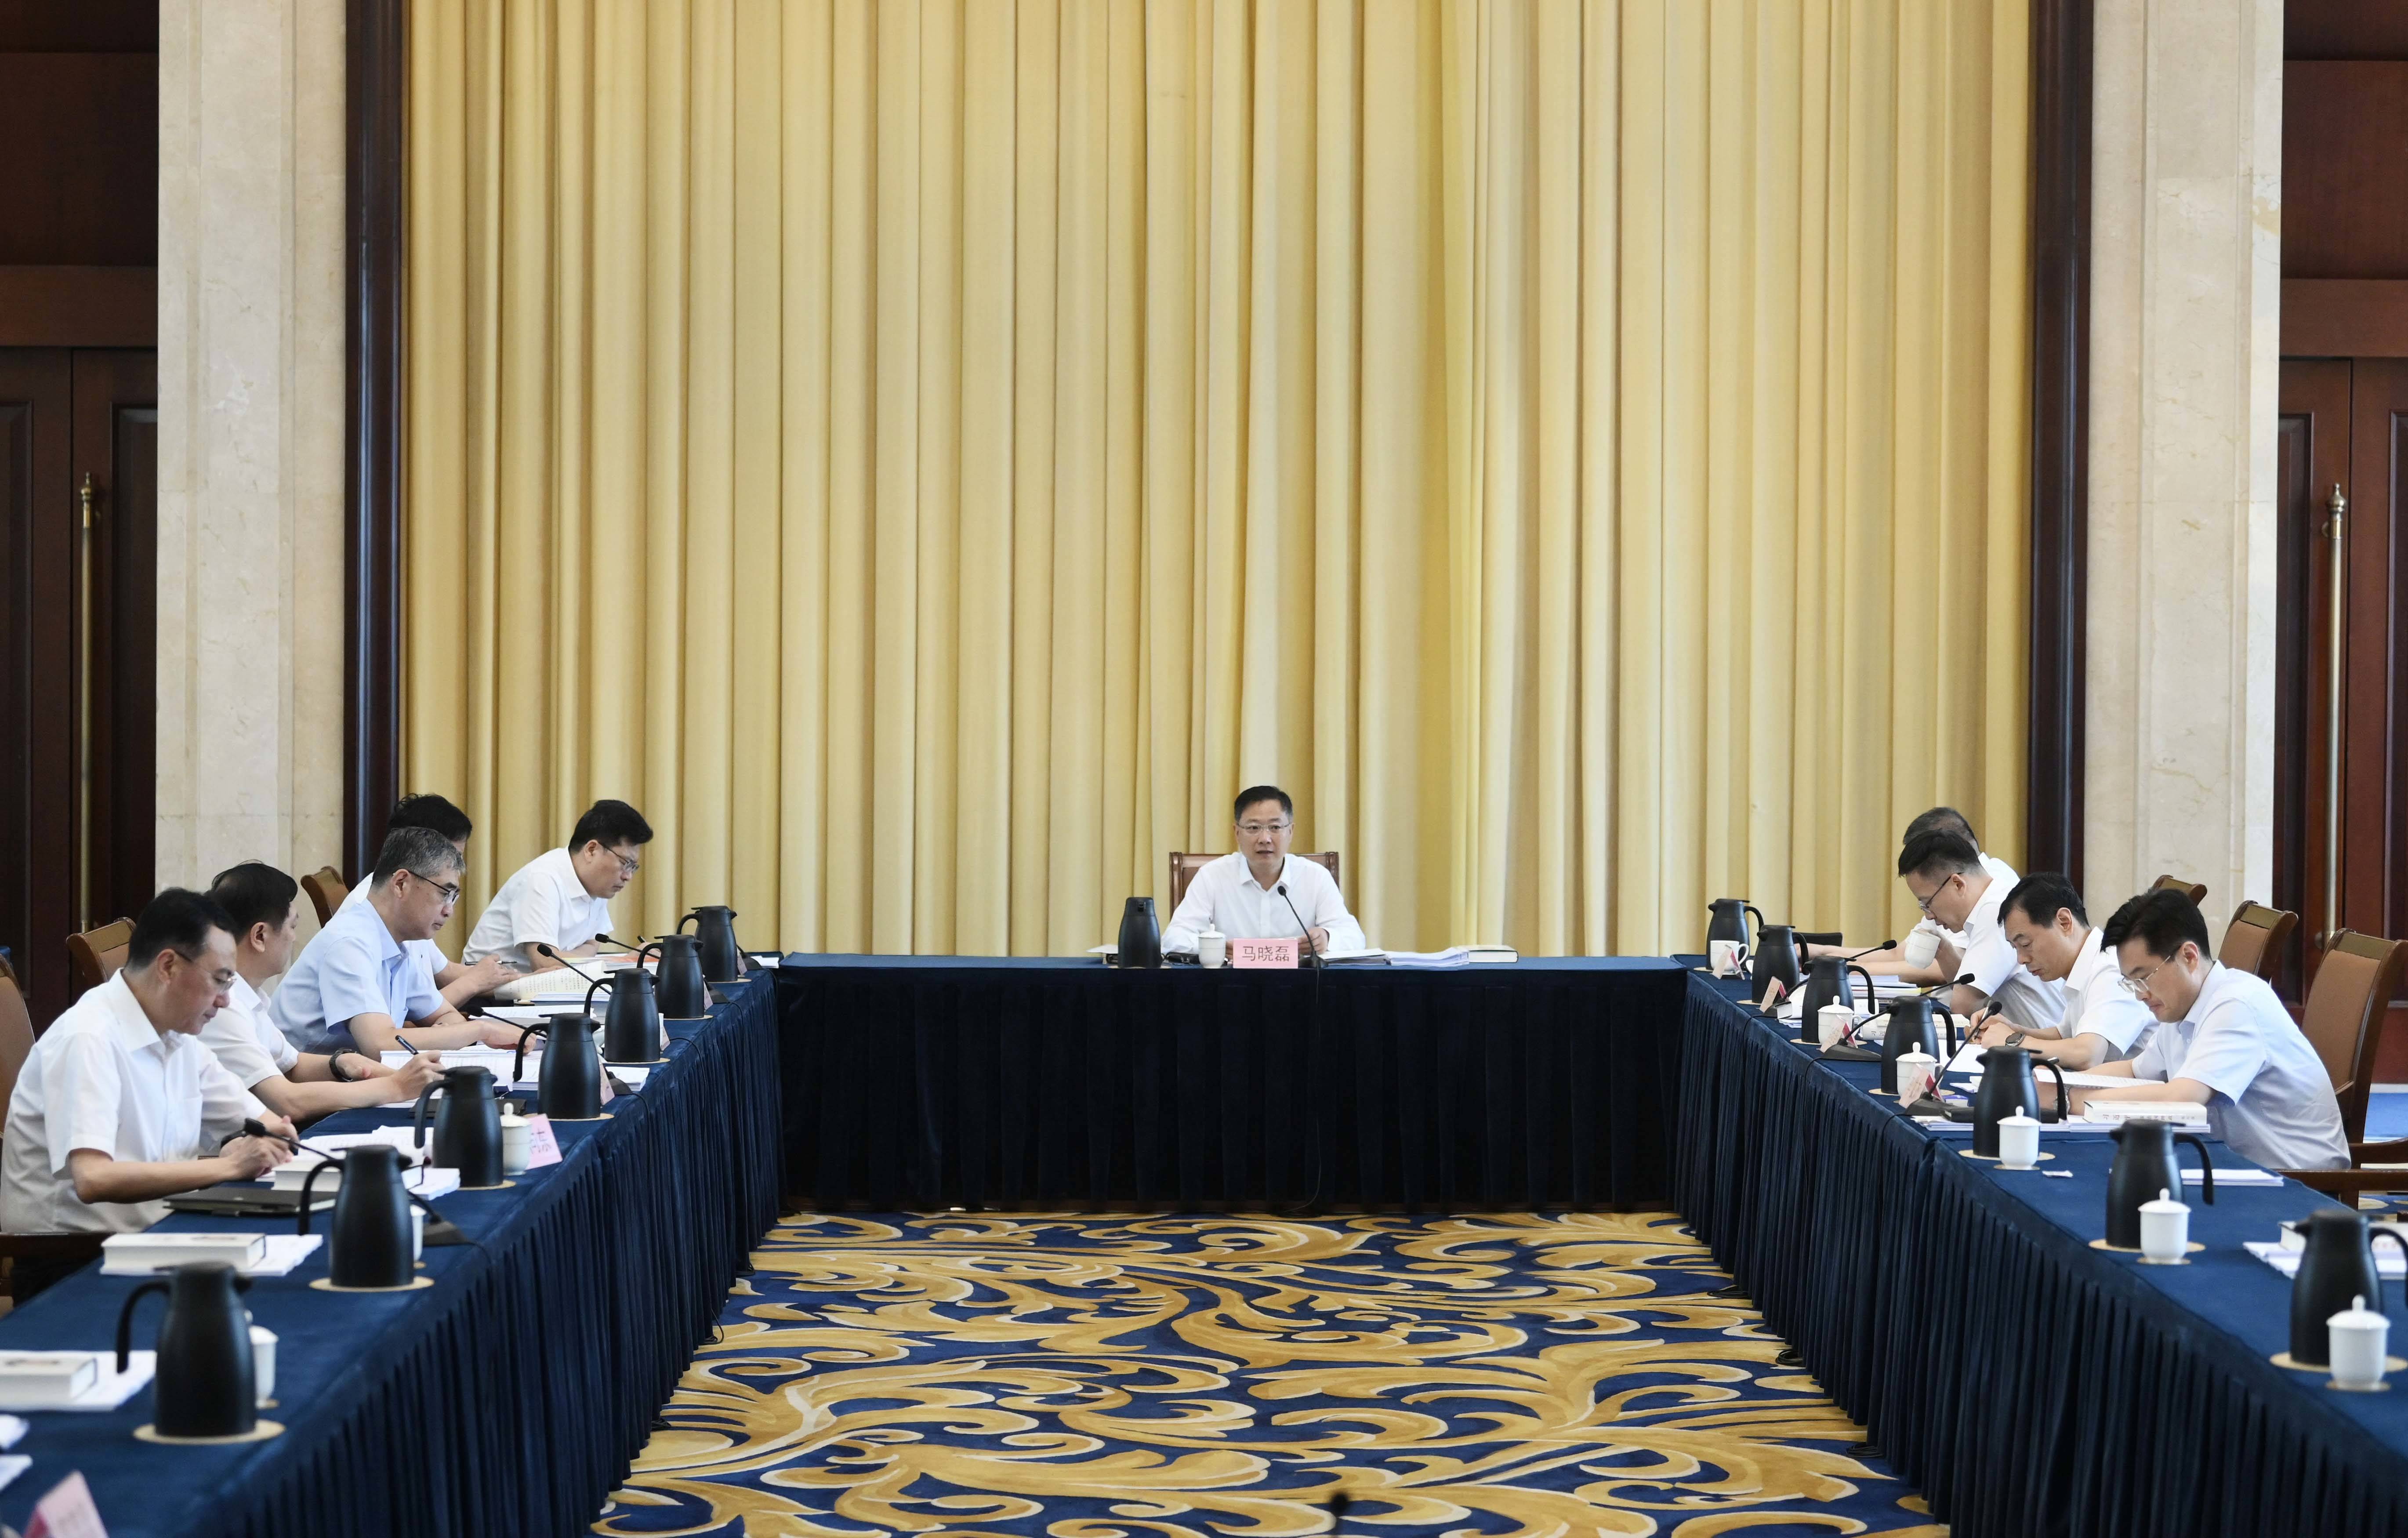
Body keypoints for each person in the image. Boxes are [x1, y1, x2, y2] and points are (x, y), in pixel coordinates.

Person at [0, 890, 296, 1265]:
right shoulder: (88, 1038)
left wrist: (248, 1143)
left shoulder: (177, 1033)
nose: (225, 1001)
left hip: (158, 1234)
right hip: (75, 1259)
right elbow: (93, 1178)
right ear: (168, 966)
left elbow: (269, 1125)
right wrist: (228, 1166)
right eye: (221, 981)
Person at [2073, 889, 2348, 1171]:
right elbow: (2135, 1070)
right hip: (2235, 1166)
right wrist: (2065, 1084)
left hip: (2296, 1179)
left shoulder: (2237, 1004)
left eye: (2143, 978)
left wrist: (2080, 1101)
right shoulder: (2182, 1005)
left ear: (2189, 956)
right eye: (2131, 983)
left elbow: (2182, 1098)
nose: (2139, 995)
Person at [203, 862, 445, 1120]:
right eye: (292, 927)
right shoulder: (224, 1006)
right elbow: (287, 1101)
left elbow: (292, 1065)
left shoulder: (250, 997)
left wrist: (340, 1063)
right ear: (260, 936)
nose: (294, 938)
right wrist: (396, 1087)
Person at [271, 827, 521, 1055]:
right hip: (301, 1086)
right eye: (445, 894)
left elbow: (445, 1014)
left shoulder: (399, 942)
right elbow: (379, 1045)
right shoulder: (350, 942)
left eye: (453, 898)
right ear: (401, 884)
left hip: (353, 1079)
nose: (449, 911)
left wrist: (448, 1033)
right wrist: (480, 1030)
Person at [340, 794, 518, 1008]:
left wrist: (531, 980)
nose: (449, 911)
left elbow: (443, 974)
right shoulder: (369, 916)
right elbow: (404, 1018)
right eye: (453, 857)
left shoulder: (411, 911)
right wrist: (473, 983)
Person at [1965, 873, 2157, 1069]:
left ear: (2065, 922)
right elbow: (2064, 1036)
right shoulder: (2085, 965)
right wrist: (2013, 1029)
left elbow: (2086, 1054)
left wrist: (2012, 1041)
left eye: (2026, 944)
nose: (2021, 959)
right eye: (2016, 948)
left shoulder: (2110, 968)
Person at [1813, 806, 2017, 984]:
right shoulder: (1943, 891)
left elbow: (1942, 971)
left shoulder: (1991, 892)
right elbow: (1901, 954)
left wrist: (1843, 972)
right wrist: (1824, 954)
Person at [1160, 786, 1365, 956]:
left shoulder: (1316, 877)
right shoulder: (1212, 876)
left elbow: (1354, 937)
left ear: (1291, 831)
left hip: (1301, 985)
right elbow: (1173, 939)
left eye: (1275, 828)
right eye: (1253, 828)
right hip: (1230, 984)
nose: (1265, 839)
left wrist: (1327, 938)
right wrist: (1216, 948)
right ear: (1237, 833)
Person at [1896, 828, 2066, 1030]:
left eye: (1927, 903)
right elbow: (1967, 988)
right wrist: (1944, 952)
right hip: (2021, 1038)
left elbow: (1963, 1006)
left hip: (2043, 1043)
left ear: (1958, 884)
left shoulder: (1996, 909)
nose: (1929, 916)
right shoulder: (1991, 900)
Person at [463, 799, 652, 970]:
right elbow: (545, 964)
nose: (628, 876)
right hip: (487, 990)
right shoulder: (542, 879)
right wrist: (626, 962)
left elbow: (591, 945)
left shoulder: (597, 886)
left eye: (633, 867)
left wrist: (568, 959)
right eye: (625, 863)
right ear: (592, 850)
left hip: (537, 987)